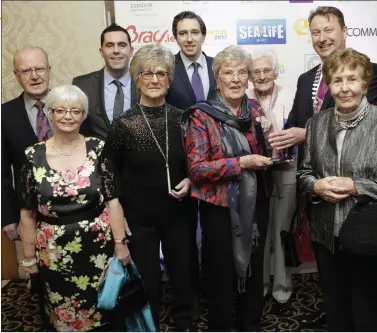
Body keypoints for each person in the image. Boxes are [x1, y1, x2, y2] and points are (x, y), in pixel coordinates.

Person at [18, 85, 130, 331]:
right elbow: (27, 213)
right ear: (50, 113)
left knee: (103, 308)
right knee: (60, 313)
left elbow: (113, 201)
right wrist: (28, 259)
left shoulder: (98, 149)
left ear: (83, 115)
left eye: (75, 111)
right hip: (52, 253)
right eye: (60, 110)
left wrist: (120, 244)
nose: (68, 116)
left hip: (98, 249)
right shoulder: (32, 155)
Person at [103, 43, 196, 331]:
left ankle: (185, 324)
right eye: (147, 73)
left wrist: (191, 180)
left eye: (161, 73)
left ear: (169, 79)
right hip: (139, 220)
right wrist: (118, 224)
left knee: (184, 277)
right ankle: (148, 326)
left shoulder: (183, 118)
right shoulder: (123, 124)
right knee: (149, 283)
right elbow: (109, 173)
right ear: (137, 78)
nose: (154, 80)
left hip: (179, 215)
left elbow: (197, 162)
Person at [183, 45, 273, 332]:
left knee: (254, 268)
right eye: (227, 73)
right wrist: (241, 162)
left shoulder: (256, 110)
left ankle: (250, 324)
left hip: (256, 202)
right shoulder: (201, 115)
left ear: (248, 78)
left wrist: (274, 145)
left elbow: (264, 156)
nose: (235, 79)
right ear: (217, 79)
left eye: (241, 73)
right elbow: (196, 169)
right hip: (219, 208)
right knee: (221, 274)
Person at [298, 48, 377, 332]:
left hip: (368, 234)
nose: (345, 88)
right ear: (328, 86)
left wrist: (357, 185)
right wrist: (316, 186)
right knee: (336, 307)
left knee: (367, 309)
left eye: (352, 79)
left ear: (364, 84)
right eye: (337, 81)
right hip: (325, 233)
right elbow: (303, 174)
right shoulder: (316, 124)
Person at [269, 6, 377, 166]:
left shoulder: (370, 72)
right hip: (308, 178)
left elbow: (366, 127)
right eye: (316, 33)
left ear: (345, 31)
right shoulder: (305, 79)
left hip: (350, 177)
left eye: (328, 30)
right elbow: (294, 121)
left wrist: (307, 135)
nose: (322, 38)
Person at [248, 49, 297, 305]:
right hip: (257, 174)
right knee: (261, 231)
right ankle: (261, 284)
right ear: (250, 76)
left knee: (281, 230)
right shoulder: (245, 98)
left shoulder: (290, 93)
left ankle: (282, 287)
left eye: (267, 70)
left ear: (275, 72)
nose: (262, 76)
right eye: (256, 72)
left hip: (286, 170)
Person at [2, 47, 53, 241]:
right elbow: (2, 173)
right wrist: (7, 217)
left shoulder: (71, 106)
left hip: (75, 210)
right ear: (16, 75)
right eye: (26, 71)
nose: (34, 76)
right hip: (30, 214)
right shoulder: (4, 115)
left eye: (40, 69)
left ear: (49, 70)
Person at [72, 23, 140, 140]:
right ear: (101, 52)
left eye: (122, 45)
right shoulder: (82, 85)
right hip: (96, 156)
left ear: (131, 51)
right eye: (109, 45)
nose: (116, 51)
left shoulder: (145, 83)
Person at [166, 11, 216, 110]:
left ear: (203, 36)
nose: (189, 39)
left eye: (195, 32)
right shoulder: (167, 66)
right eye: (183, 33)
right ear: (175, 38)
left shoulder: (218, 65)